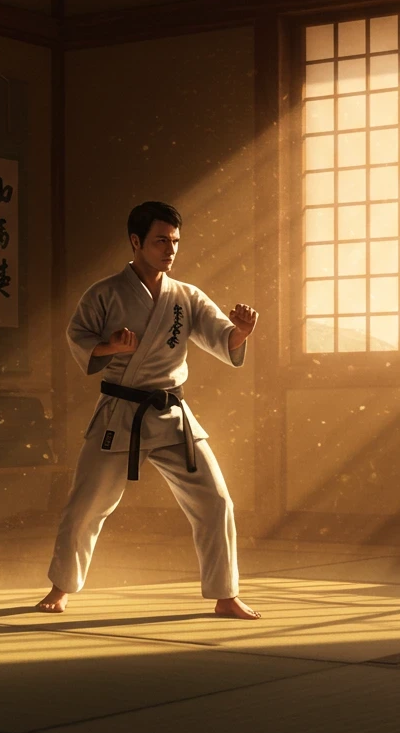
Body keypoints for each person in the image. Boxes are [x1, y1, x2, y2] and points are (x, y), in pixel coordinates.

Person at [36, 201, 261, 619]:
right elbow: (79, 340)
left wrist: (240, 333)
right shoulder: (104, 293)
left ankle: (225, 593)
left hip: (171, 412)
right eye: (161, 240)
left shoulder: (186, 296)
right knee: (85, 505)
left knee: (215, 501)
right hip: (121, 412)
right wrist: (112, 347)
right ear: (136, 242)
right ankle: (61, 587)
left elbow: (221, 338)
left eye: (175, 241)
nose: (170, 249)